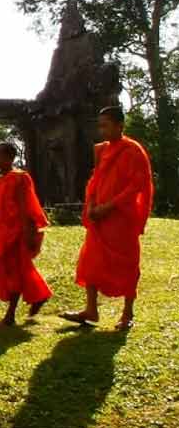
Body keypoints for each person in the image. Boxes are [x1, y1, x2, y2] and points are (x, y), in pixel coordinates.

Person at [63, 106, 154, 331]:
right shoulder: (103, 150)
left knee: (127, 263)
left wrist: (108, 207)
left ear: (120, 126)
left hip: (121, 217)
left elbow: (136, 186)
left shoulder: (133, 150)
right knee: (91, 260)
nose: (101, 130)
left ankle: (127, 313)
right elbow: (96, 180)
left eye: (106, 125)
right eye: (100, 125)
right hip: (99, 217)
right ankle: (91, 309)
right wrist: (93, 205)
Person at [0, 142, 52, 326]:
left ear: (10, 157)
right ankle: (40, 295)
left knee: (15, 272)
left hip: (17, 233)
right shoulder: (0, 181)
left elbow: (26, 207)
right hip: (2, 233)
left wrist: (28, 232)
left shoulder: (20, 178)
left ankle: (10, 314)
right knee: (18, 270)